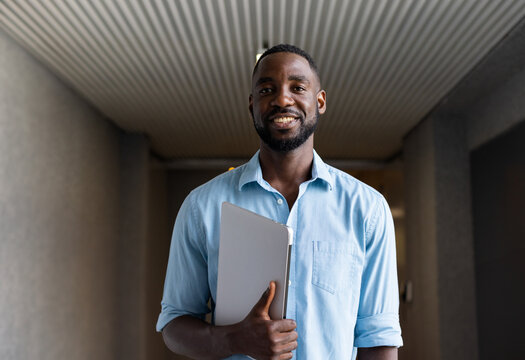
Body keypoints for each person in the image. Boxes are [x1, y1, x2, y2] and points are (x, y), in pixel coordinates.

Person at [157, 44, 402, 359]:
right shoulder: (202, 207)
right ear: (252, 105)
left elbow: (379, 338)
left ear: (320, 101)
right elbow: (174, 325)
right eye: (267, 89)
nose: (282, 99)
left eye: (297, 87)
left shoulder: (368, 209)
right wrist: (232, 341)